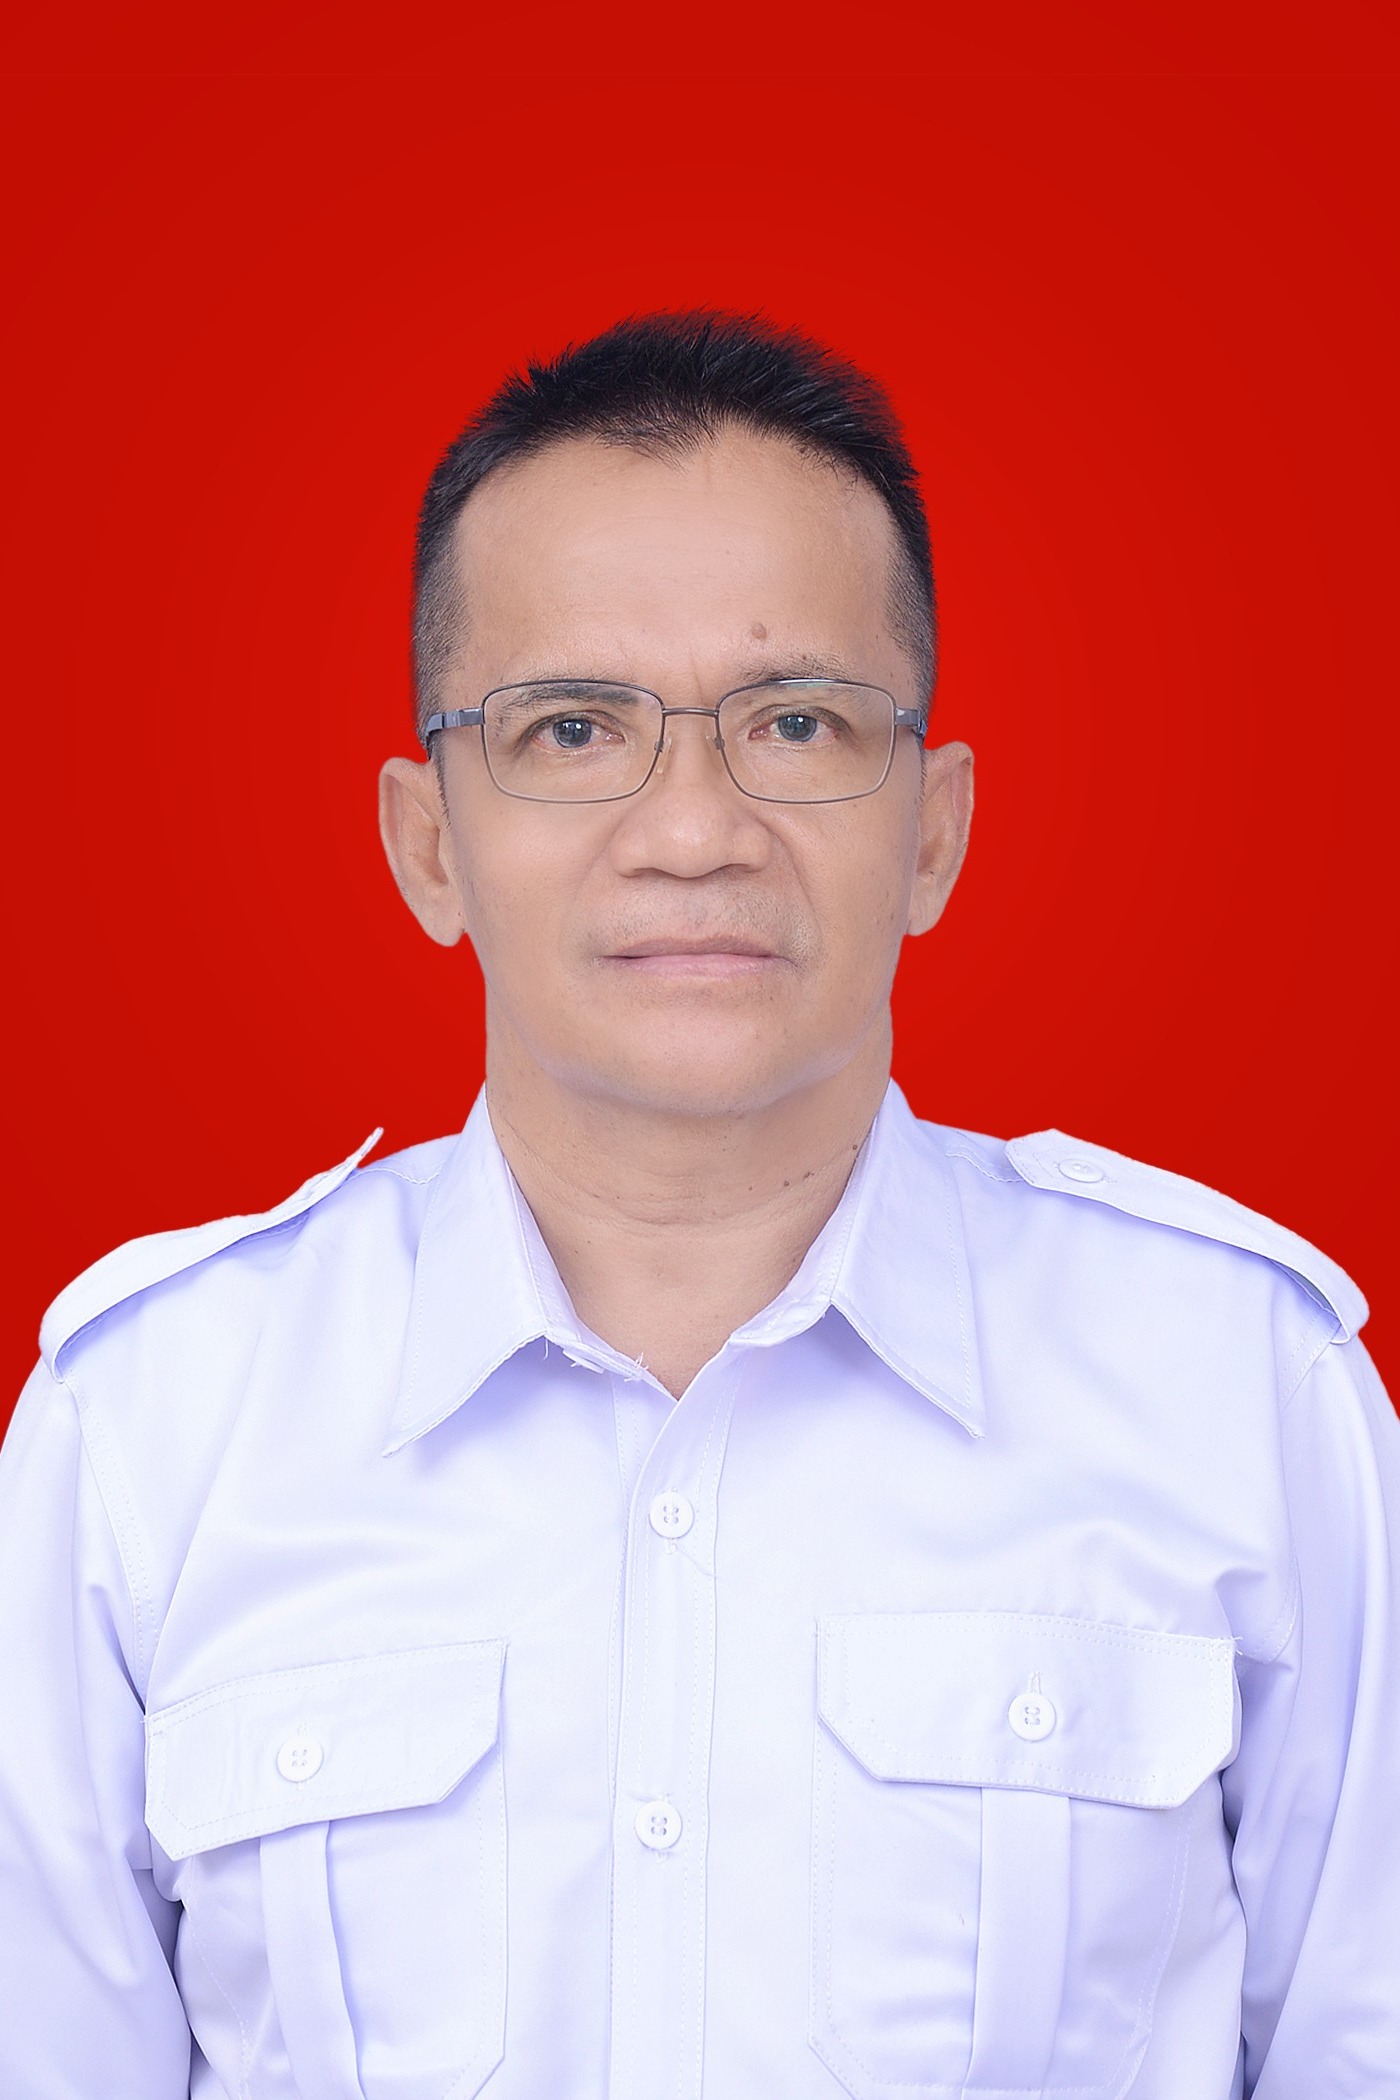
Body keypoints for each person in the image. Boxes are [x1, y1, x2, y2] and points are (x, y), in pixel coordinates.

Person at [0, 311, 1395, 2100]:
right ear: (430, 844)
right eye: (573, 728)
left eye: (796, 722)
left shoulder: (1240, 1386)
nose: (691, 830)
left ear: (934, 830)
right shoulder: (149, 1428)